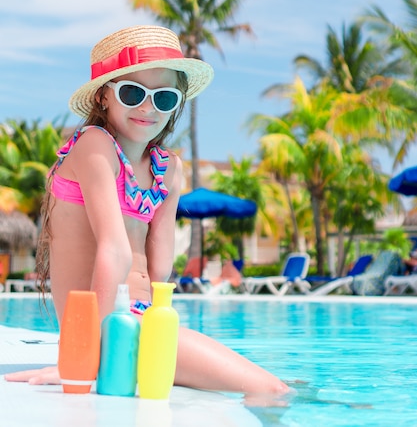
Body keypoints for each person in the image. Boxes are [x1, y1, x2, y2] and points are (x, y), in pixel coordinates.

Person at [5, 25, 289, 399]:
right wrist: (83, 357)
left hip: (141, 321)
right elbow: (116, 250)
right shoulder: (94, 146)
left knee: (277, 385)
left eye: (164, 98)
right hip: (111, 327)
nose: (148, 107)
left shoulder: (169, 170)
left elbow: (159, 271)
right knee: (271, 389)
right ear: (104, 96)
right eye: (133, 92)